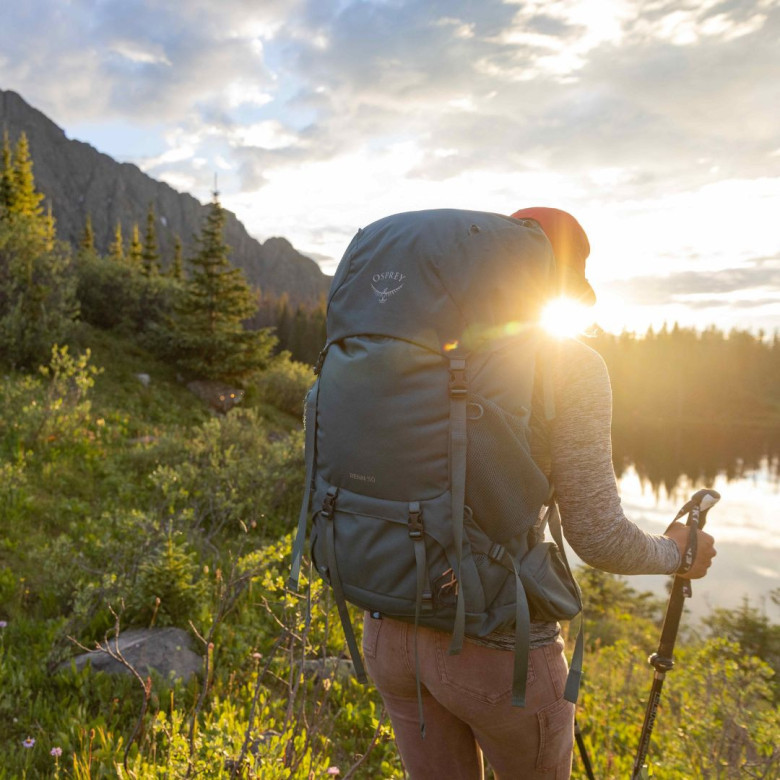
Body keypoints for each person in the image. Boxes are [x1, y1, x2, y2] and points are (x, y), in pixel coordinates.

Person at [360, 206, 717, 779]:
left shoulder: (410, 352)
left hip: (389, 630)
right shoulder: (569, 364)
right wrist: (678, 553)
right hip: (496, 648)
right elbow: (597, 537)